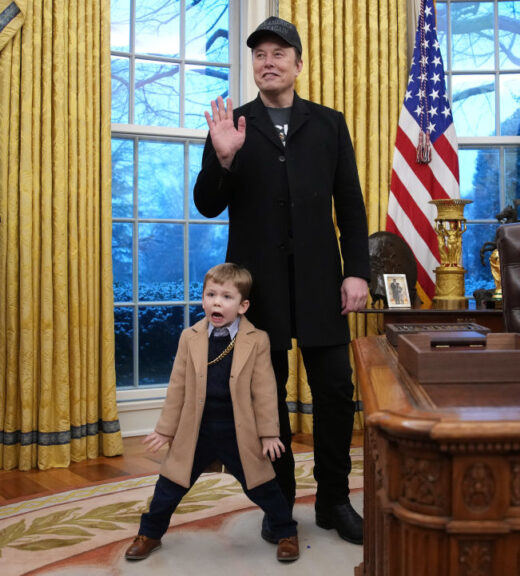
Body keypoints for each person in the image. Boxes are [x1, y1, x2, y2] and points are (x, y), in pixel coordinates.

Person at [193, 16, 369, 545]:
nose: (267, 61)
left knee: (336, 390)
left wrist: (357, 270)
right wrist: (223, 158)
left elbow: (352, 206)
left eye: (278, 52)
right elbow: (207, 204)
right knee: (264, 396)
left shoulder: (330, 124)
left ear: (297, 63)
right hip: (257, 291)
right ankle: (280, 503)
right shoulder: (233, 124)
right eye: (259, 54)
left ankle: (335, 499)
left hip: (321, 283)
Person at [124, 264, 299, 563]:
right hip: (197, 429)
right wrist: (165, 429)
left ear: (243, 306)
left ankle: (286, 531)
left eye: (227, 297)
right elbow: (177, 387)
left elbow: (266, 391)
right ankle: (150, 533)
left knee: (263, 485)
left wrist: (269, 433)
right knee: (170, 484)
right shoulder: (189, 338)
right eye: (211, 294)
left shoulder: (257, 340)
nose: (217, 302)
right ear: (202, 299)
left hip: (237, 430)